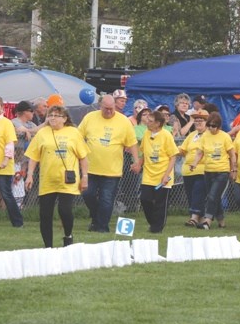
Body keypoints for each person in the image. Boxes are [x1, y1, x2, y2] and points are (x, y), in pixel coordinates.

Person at [25, 105, 89, 248]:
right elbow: (33, 157)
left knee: (64, 210)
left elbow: (83, 157)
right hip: (47, 179)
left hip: (67, 180)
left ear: (64, 118)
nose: (52, 118)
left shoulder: (73, 132)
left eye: (56, 115)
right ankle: (48, 246)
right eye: (50, 115)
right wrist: (29, 175)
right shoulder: (42, 133)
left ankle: (68, 235)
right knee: (45, 214)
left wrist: (85, 176)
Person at [78, 94, 140, 233]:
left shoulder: (123, 121)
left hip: (112, 170)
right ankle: (96, 218)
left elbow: (132, 143)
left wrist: (136, 161)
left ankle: (102, 227)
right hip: (90, 168)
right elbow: (79, 136)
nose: (109, 111)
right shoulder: (90, 117)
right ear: (100, 106)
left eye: (111, 109)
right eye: (106, 109)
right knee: (87, 194)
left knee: (107, 199)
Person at [188, 112, 236, 230]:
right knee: (215, 197)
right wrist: (194, 163)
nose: (210, 128)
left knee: (212, 196)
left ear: (219, 126)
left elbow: (232, 154)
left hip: (222, 171)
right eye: (209, 125)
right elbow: (200, 152)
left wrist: (233, 168)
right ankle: (221, 221)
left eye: (213, 126)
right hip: (208, 171)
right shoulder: (205, 136)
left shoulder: (225, 136)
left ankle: (207, 220)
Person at [0, 94, 24, 228]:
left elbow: (10, 143)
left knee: (6, 194)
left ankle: (18, 222)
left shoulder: (7, 123)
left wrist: (6, 160)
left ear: (2, 108)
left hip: (3, 166)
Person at [136, 109, 178, 233]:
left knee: (160, 203)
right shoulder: (146, 134)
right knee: (145, 199)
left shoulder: (166, 135)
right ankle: (153, 222)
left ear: (158, 123)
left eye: (150, 121)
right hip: (148, 174)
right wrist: (138, 164)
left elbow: (173, 156)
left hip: (162, 175)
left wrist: (166, 175)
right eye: (147, 120)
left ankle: (157, 228)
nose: (147, 122)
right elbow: (143, 152)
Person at [178, 109, 209, 227]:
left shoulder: (210, 135)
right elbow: (183, 149)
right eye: (196, 120)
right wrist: (171, 151)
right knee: (191, 194)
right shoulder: (192, 135)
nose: (198, 122)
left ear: (207, 122)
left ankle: (194, 217)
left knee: (198, 192)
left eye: (201, 120)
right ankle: (199, 217)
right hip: (188, 170)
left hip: (202, 170)